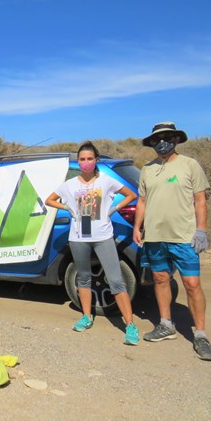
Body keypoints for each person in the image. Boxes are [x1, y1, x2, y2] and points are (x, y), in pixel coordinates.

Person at [133, 122, 211, 361]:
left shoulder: (190, 165)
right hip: (155, 237)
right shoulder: (147, 169)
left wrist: (201, 230)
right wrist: (137, 228)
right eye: (157, 139)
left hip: (184, 237)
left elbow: (200, 200)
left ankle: (200, 334)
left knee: (192, 284)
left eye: (167, 137)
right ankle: (166, 324)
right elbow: (142, 202)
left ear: (177, 139)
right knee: (160, 279)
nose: (162, 142)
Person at [45, 142, 139, 345]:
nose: (86, 162)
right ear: (78, 162)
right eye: (82, 159)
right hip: (78, 238)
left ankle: (130, 325)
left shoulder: (106, 182)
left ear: (96, 160)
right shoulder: (69, 185)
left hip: (103, 237)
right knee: (84, 279)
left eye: (89, 159)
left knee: (116, 280)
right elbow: (49, 200)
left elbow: (131, 195)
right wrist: (67, 207)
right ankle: (87, 316)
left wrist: (113, 209)